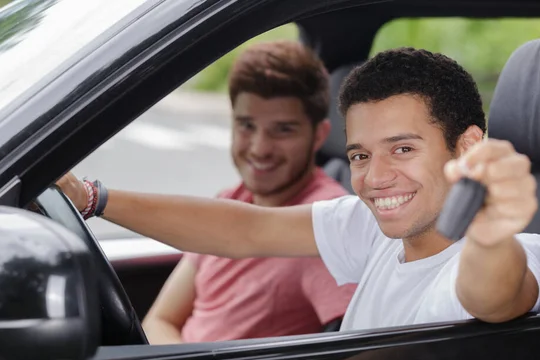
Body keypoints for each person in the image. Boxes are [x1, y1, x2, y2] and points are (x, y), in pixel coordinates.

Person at [57, 47, 540, 333]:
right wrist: (91, 198)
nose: (374, 177)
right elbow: (245, 230)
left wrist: (491, 235)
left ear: (467, 146)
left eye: (402, 149)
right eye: (360, 155)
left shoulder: (524, 252)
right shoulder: (375, 230)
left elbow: (493, 298)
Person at [97, 41, 357, 344]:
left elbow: (353, 351)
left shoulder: (322, 227)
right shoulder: (231, 199)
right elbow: (162, 318)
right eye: (247, 126)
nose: (260, 148)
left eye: (283, 130)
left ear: (319, 136)